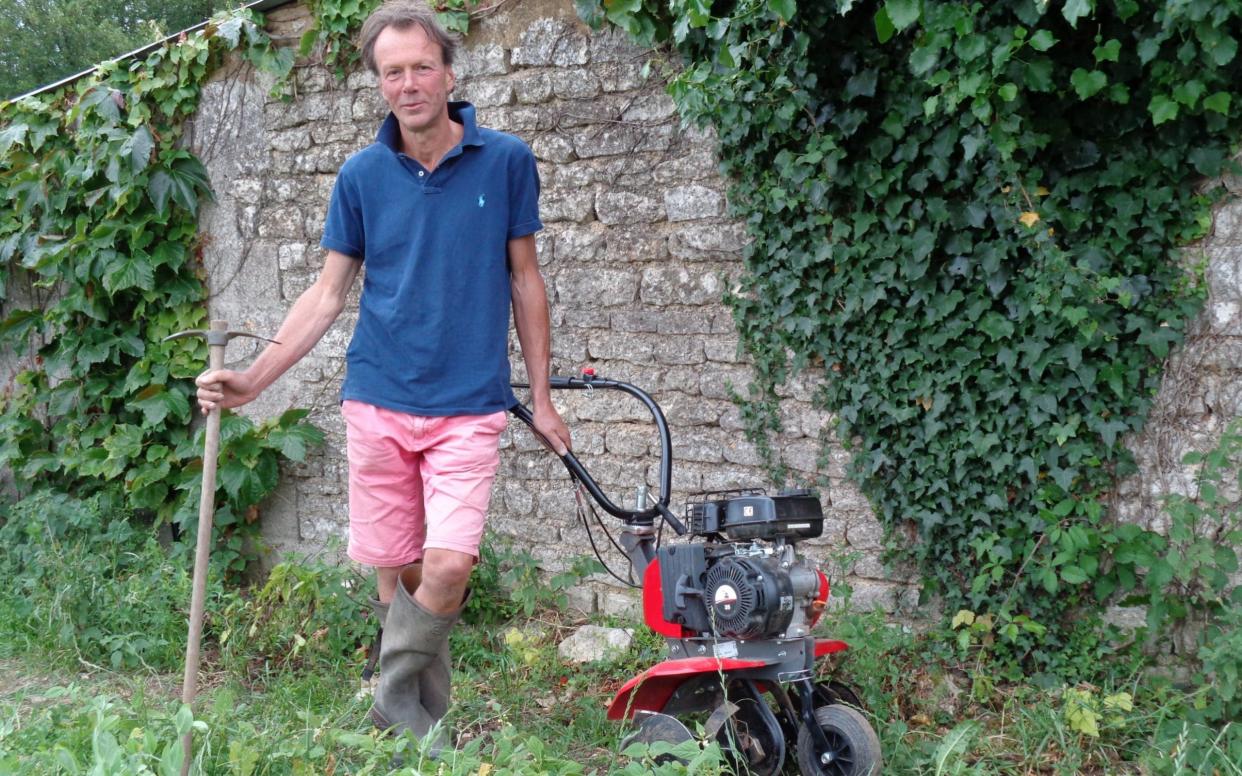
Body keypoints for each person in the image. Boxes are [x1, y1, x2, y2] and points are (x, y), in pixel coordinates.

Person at [194, 0, 571, 749]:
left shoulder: (506, 160)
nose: (409, 84)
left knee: (450, 563)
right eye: (392, 71)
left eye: (421, 67)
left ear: (449, 71)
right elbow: (327, 293)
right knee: (394, 572)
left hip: (469, 401)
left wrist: (545, 397)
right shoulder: (362, 175)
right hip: (378, 397)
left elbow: (527, 282)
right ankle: (418, 735)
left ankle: (388, 698)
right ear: (378, 82)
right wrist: (256, 378)